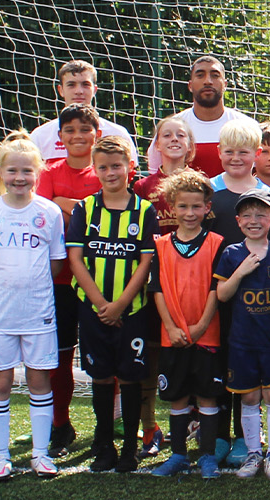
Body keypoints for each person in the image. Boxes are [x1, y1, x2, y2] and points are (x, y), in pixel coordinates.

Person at [0, 132, 66, 480]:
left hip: (39, 312)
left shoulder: (49, 212)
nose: (19, 178)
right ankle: (0, 456)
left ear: (38, 173)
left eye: (27, 171)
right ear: (0, 172)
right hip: (1, 314)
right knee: (0, 383)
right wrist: (8, 280)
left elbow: (55, 262)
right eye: (12, 171)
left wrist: (29, 283)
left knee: (40, 381)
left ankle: (40, 454)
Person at [65, 136, 158, 473]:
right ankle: (104, 445)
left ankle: (130, 449)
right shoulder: (85, 209)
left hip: (132, 310)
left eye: (116, 165)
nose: (110, 172)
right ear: (95, 170)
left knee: (130, 377)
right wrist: (101, 303)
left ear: (130, 168)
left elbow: (145, 263)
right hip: (93, 309)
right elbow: (75, 259)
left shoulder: (144, 210)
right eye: (102, 167)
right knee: (102, 377)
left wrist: (120, 304)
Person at [35, 104, 106, 454]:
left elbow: (106, 211)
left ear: (98, 134)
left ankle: (110, 424)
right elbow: (43, 210)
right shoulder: (46, 170)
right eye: (70, 130)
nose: (78, 136)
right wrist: (83, 205)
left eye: (84, 129)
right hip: (58, 281)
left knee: (104, 358)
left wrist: (66, 202)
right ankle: (60, 425)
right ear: (60, 137)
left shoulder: (106, 171)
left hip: (103, 280)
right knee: (60, 357)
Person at [146, 169, 226, 478]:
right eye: (183, 206)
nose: (190, 213)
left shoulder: (216, 243)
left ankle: (207, 457)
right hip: (174, 336)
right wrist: (172, 327)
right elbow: (158, 291)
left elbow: (215, 290)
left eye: (196, 206)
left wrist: (201, 325)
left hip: (207, 334)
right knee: (177, 396)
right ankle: (178, 454)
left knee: (207, 396)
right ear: (171, 207)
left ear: (207, 207)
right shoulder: (162, 245)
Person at [215, 188, 270, 479]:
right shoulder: (232, 254)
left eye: (261, 214)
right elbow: (221, 295)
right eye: (247, 214)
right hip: (242, 342)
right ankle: (253, 454)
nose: (254, 220)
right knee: (248, 398)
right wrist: (241, 272)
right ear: (238, 221)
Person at [129, 116, 195, 459]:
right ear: (156, 145)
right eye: (165, 135)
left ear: (190, 145)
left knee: (195, 351)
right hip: (154, 286)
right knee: (151, 356)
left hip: (194, 286)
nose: (173, 139)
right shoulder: (143, 187)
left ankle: (196, 422)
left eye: (180, 134)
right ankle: (150, 428)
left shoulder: (202, 184)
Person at [150, 56, 254, 176]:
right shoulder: (171, 129)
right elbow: (155, 176)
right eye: (200, 75)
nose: (208, 81)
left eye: (215, 75)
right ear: (190, 85)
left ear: (225, 84)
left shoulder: (247, 126)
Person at [30, 60, 137, 163]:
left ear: (94, 90)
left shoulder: (118, 133)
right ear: (60, 90)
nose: (79, 91)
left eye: (85, 85)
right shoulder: (40, 136)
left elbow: (130, 174)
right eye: (71, 85)